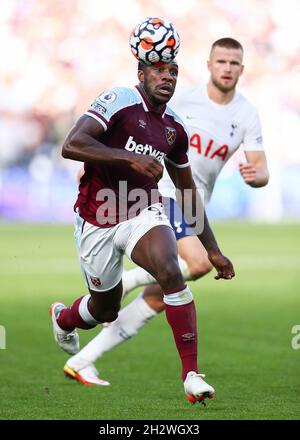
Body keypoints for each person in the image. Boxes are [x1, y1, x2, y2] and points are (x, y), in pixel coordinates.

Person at [62, 38, 269, 389]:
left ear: (243, 69)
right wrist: (127, 158)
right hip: (106, 209)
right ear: (208, 64)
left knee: (170, 280)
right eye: (221, 61)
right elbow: (74, 144)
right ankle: (71, 316)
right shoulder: (160, 98)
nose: (227, 68)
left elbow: (204, 184)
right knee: (107, 309)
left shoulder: (239, 114)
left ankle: (188, 374)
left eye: (172, 70)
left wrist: (216, 246)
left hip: (149, 203)